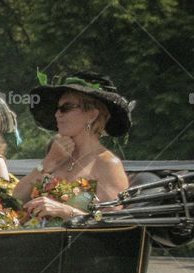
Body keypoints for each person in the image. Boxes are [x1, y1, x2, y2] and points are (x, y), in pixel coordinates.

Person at [14, 72, 132, 225]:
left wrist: (64, 211)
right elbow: (15, 198)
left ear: (92, 115)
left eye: (66, 108)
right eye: (57, 108)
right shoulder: (57, 155)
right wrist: (48, 162)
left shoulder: (107, 164)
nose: (57, 114)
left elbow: (114, 223)